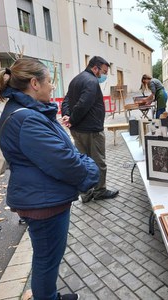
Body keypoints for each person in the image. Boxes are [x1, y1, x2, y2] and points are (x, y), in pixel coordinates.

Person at [0, 58, 99, 300]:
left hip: (41, 197)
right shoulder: (27, 119)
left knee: (46, 256)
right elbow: (65, 162)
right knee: (47, 259)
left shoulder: (27, 112)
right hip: (44, 203)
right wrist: (91, 169)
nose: (52, 87)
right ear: (34, 83)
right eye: (50, 81)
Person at [61, 56, 119, 203]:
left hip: (78, 130)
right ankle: (100, 191)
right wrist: (72, 118)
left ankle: (86, 194)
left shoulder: (76, 79)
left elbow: (66, 99)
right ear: (95, 68)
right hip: (92, 131)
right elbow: (83, 104)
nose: (104, 75)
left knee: (83, 163)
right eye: (104, 71)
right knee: (99, 162)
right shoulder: (92, 81)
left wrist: (67, 116)